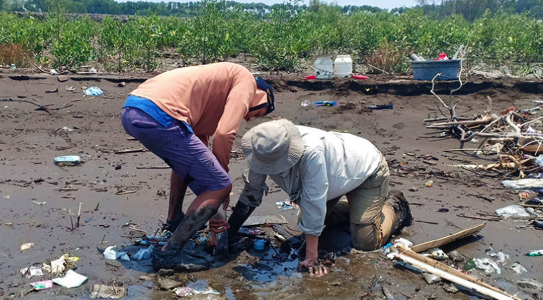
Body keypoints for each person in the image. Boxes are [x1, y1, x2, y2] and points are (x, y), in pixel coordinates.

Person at [121, 62, 275, 270]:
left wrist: (212, 191)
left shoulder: (213, 96)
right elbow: (224, 134)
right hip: (161, 113)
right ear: (262, 93)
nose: (248, 117)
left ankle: (174, 219)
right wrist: (221, 191)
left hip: (134, 109)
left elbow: (194, 157)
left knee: (188, 165)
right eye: (256, 113)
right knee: (220, 184)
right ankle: (170, 253)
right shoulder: (246, 79)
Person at [227, 119, 412, 276]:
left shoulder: (311, 152)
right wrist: (228, 233)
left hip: (367, 171)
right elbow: (252, 193)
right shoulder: (263, 148)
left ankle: (393, 205)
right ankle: (357, 208)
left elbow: (313, 202)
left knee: (365, 241)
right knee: (307, 222)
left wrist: (311, 258)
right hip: (332, 182)